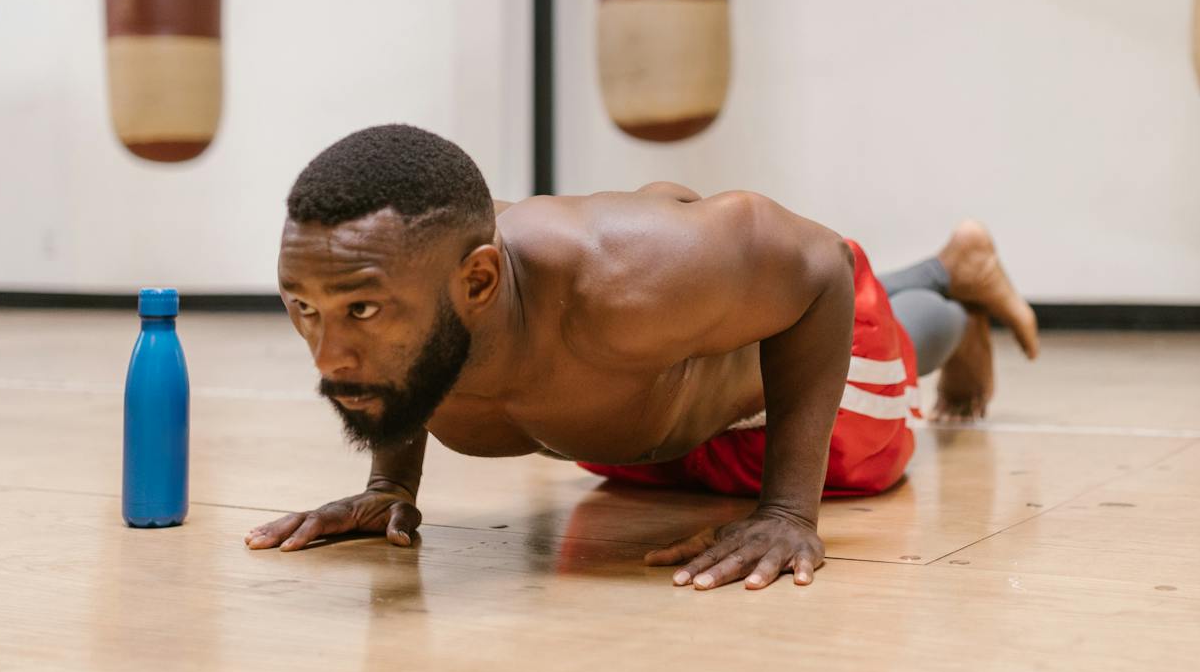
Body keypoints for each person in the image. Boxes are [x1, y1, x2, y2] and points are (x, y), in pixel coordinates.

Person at [246, 125, 1039, 590]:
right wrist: (389, 483)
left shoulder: (616, 278)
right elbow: (404, 354)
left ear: (480, 280)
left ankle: (952, 285)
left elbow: (824, 269)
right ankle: (944, 274)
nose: (329, 351)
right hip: (643, 415)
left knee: (889, 386)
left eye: (360, 310)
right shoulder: (421, 285)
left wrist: (789, 512)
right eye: (302, 306)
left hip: (771, 374)